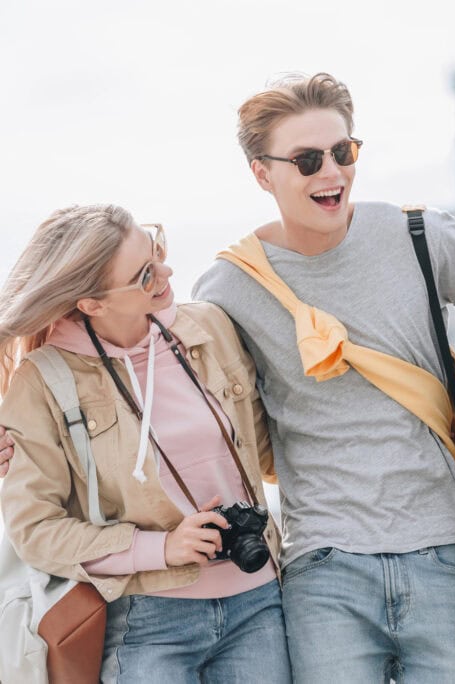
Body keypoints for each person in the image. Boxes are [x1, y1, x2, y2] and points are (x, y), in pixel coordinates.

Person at [191, 73, 455, 683]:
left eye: (343, 152)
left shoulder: (421, 236)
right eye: (308, 160)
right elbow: (175, 391)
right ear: (263, 173)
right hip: (322, 562)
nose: (331, 172)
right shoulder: (229, 287)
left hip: (441, 547)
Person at [0, 205, 289, 682]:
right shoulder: (43, 381)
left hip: (256, 596)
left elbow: (274, 445)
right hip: (148, 620)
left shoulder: (210, 329)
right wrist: (161, 548)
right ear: (91, 303)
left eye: (157, 249)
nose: (167, 271)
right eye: (144, 274)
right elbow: (36, 530)